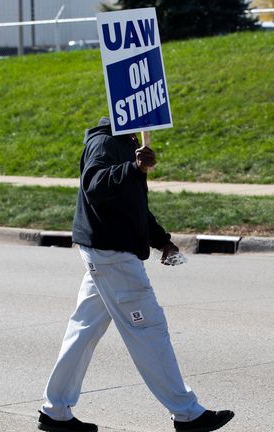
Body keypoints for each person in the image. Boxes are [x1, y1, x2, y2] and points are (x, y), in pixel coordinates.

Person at [38, 117, 234, 432]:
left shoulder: (127, 143)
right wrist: (133, 168)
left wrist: (161, 240)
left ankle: (55, 410)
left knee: (83, 331)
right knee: (150, 330)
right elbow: (94, 186)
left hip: (105, 254)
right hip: (112, 255)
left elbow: (132, 205)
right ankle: (187, 413)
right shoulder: (106, 143)